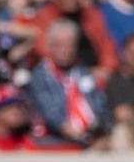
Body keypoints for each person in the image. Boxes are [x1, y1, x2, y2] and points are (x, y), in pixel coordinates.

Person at [25, 19, 111, 148]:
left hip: (92, 134)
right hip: (57, 139)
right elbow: (50, 113)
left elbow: (99, 103)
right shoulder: (40, 75)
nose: (66, 50)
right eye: (60, 45)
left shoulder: (83, 71)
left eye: (70, 45)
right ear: (50, 46)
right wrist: (75, 133)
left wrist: (102, 129)